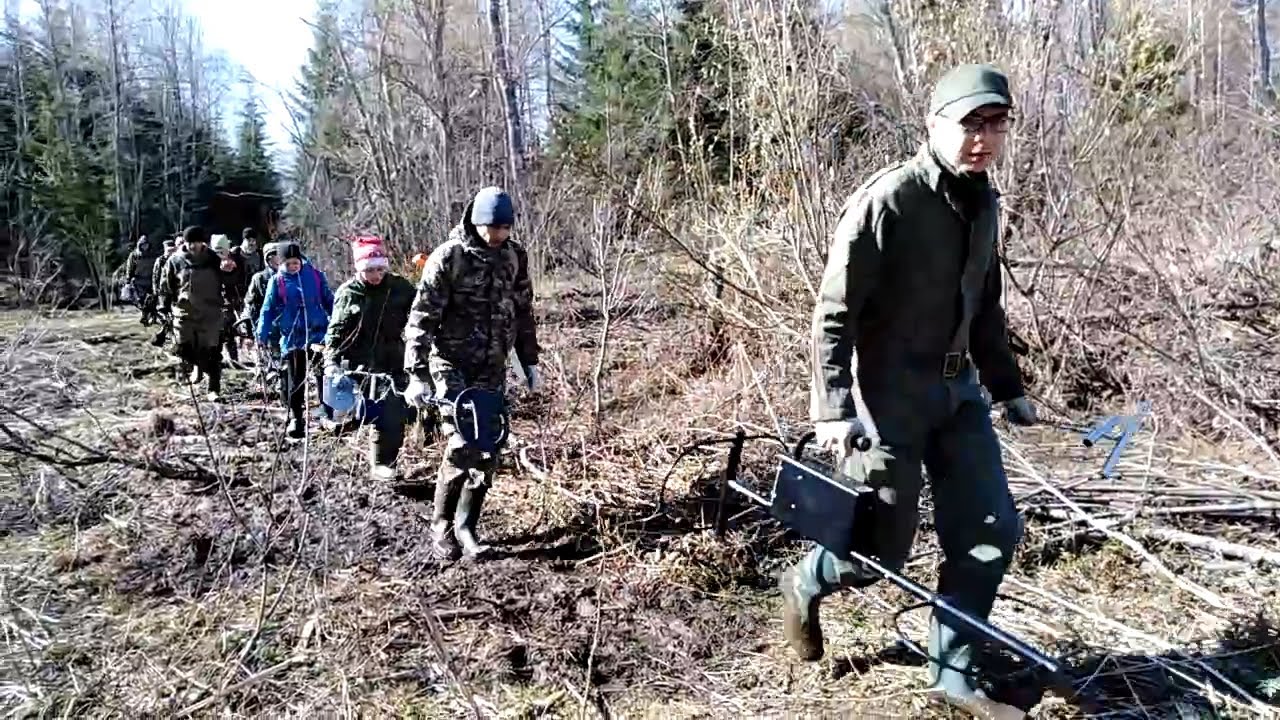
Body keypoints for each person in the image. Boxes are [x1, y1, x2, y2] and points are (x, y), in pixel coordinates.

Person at [782, 63, 1037, 719]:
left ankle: (953, 678)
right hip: (885, 400)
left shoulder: (984, 203)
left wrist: (1007, 388)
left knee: (990, 531)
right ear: (934, 126)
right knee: (875, 552)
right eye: (969, 124)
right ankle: (807, 580)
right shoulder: (888, 201)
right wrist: (834, 409)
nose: (982, 139)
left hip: (959, 397)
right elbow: (832, 314)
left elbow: (984, 310)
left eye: (995, 124)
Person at [402, 186, 542, 561]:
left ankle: (467, 525)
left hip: (492, 366)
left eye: (504, 228)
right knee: (463, 442)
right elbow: (421, 318)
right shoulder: (449, 258)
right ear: (476, 222)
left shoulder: (514, 256)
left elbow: (524, 310)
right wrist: (416, 373)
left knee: (488, 449)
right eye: (492, 228)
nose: (498, 235)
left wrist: (530, 361)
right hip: (450, 363)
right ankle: (441, 526)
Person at [323, 235, 417, 481]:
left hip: (393, 360)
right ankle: (346, 422)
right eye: (370, 270)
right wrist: (331, 362)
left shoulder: (400, 288)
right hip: (359, 364)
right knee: (369, 410)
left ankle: (384, 463)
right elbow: (335, 332)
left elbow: (421, 310)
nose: (376, 275)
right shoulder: (348, 293)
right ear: (359, 269)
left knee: (393, 414)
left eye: (380, 269)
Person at [257, 242, 334, 438]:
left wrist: (336, 325)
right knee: (295, 380)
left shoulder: (315, 276)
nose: (293, 266)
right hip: (293, 338)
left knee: (323, 376)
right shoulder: (277, 281)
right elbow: (267, 309)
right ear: (282, 263)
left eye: (296, 262)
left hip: (318, 334)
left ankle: (327, 413)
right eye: (289, 263)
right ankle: (296, 418)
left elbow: (329, 301)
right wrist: (261, 335)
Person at [157, 226, 226, 401]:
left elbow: (228, 281)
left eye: (198, 242)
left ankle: (213, 388)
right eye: (191, 243)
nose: (194, 247)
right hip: (184, 312)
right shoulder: (175, 261)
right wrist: (163, 306)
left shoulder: (213, 259)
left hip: (211, 313)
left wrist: (231, 271)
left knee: (212, 352)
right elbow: (166, 285)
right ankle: (202, 368)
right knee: (182, 349)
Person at [211, 234, 249, 368]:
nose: (220, 255)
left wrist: (230, 272)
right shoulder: (208, 263)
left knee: (230, 331)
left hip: (231, 301)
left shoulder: (237, 262)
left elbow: (240, 281)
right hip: (213, 302)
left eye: (222, 251)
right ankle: (215, 359)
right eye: (217, 252)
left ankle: (233, 359)